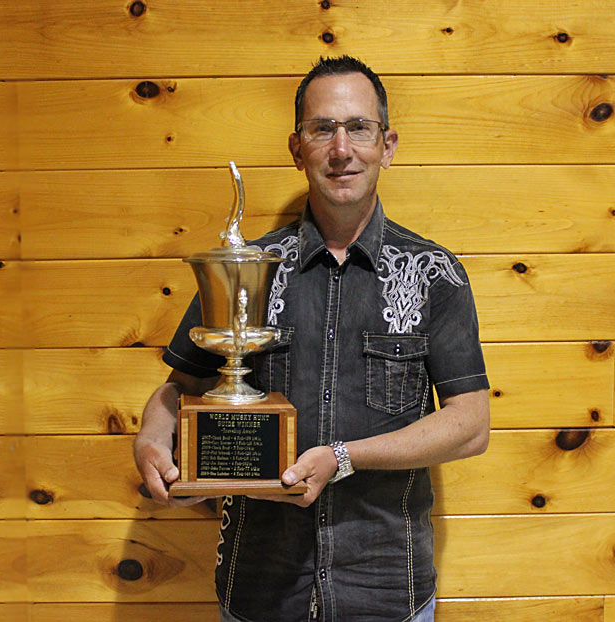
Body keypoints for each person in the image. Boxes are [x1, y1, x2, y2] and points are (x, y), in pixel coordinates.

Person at [134, 55, 490, 622]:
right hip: (261, 591)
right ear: (297, 148)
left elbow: (470, 425)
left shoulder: (433, 273)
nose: (341, 149)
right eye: (322, 128)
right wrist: (153, 438)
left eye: (359, 128)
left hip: (386, 594)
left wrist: (344, 458)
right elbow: (179, 389)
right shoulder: (245, 271)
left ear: (387, 145)